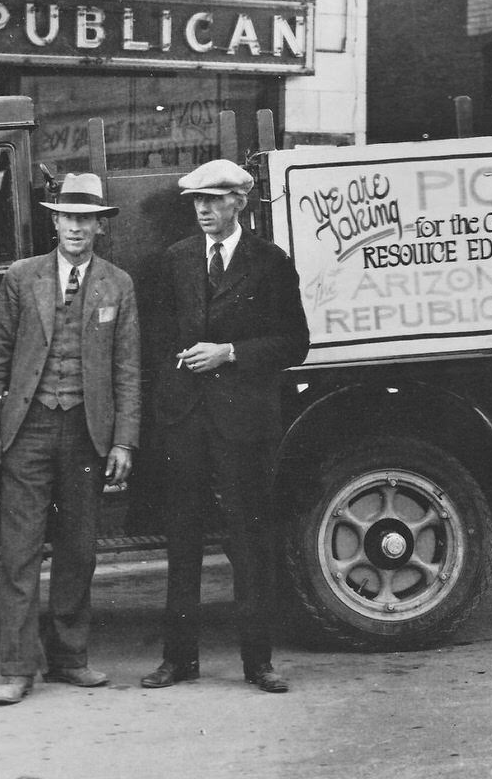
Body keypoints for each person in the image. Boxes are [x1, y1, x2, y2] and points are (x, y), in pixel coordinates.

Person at [140, 158, 309, 694]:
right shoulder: (174, 260)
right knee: (182, 541)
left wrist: (230, 353)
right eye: (197, 201)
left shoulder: (270, 262)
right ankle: (178, 660)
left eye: (214, 200)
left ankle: (258, 662)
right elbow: (156, 338)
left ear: (241, 201)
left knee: (249, 540)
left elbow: (295, 343)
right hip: (185, 420)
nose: (204, 210)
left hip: (244, 423)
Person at [0, 172, 141, 706]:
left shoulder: (119, 283)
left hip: (87, 431)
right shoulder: (23, 277)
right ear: (55, 221)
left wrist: (124, 441)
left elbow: (128, 369)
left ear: (99, 226)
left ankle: (69, 658)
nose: (76, 227)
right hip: (30, 428)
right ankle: (15, 668)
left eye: (86, 218)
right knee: (19, 551)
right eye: (68, 217)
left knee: (79, 550)